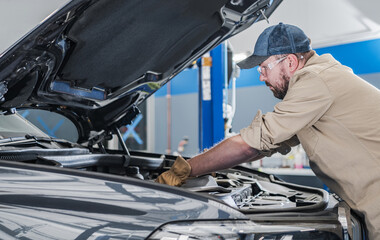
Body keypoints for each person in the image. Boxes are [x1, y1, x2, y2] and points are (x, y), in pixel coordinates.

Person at [156, 23, 380, 239]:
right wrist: (211, 165)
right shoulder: (324, 78)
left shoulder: (315, 79)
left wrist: (182, 171)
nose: (261, 76)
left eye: (264, 67)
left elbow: (248, 145)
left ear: (290, 62)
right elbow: (261, 147)